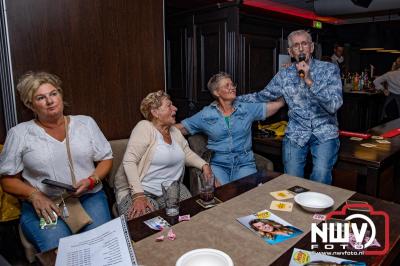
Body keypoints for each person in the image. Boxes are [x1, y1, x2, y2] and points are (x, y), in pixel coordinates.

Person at [0, 71, 113, 252]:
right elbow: (7, 180)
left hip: (89, 197)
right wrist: (34, 195)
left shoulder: (85, 123)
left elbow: (106, 158)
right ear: (31, 105)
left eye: (54, 94)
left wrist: (92, 181)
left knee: (102, 245)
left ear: (60, 95)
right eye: (41, 98)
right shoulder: (19, 133)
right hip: (45, 205)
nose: (50, 101)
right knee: (61, 251)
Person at [237, 30, 343, 185]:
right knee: (291, 181)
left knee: (320, 175)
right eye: (296, 45)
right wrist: (233, 99)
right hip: (296, 132)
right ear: (290, 51)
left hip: (324, 132)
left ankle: (317, 209)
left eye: (304, 44)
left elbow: (334, 105)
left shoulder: (329, 70)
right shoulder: (284, 75)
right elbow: (262, 96)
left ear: (311, 47)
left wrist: (309, 80)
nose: (300, 48)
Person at [114, 90, 212, 219]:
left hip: (170, 189)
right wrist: (138, 195)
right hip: (141, 190)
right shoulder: (144, 127)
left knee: (190, 214)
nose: (175, 109)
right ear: (155, 112)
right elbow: (129, 161)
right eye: (169, 105)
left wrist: (204, 165)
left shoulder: (174, 132)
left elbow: (186, 154)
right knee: (146, 224)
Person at [175, 72, 285, 185]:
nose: (232, 88)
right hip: (219, 165)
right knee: (221, 197)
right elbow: (180, 128)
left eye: (232, 85)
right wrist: (156, 128)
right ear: (216, 92)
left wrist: (286, 79)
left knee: (246, 196)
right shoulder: (206, 114)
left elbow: (276, 105)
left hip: (244, 164)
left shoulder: (246, 108)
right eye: (227, 85)